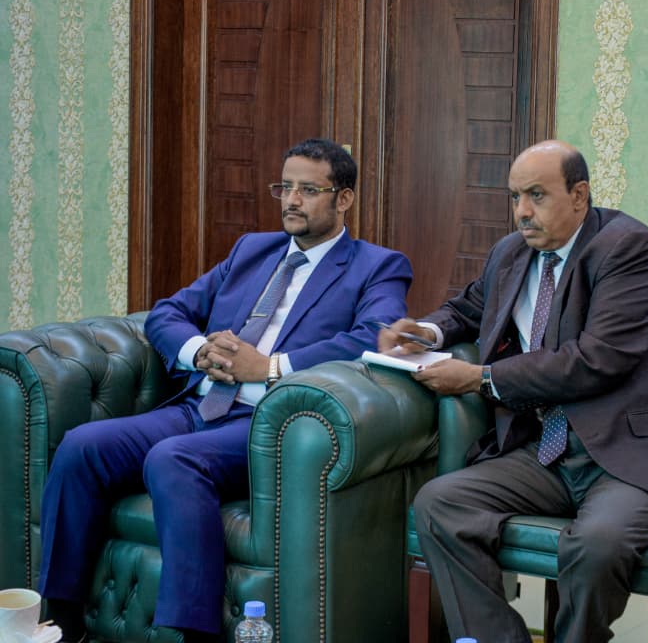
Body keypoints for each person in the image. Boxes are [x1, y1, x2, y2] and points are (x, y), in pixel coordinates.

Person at [39, 138, 412, 643]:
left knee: (173, 459)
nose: (292, 200)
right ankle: (60, 623)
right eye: (285, 187)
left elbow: (373, 336)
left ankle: (196, 634)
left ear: (343, 198)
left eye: (308, 190)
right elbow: (170, 312)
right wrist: (198, 351)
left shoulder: (378, 265)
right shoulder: (251, 251)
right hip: (201, 407)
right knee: (82, 446)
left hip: (270, 425)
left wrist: (270, 367)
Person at [381, 140, 648, 642]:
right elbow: (470, 308)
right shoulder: (511, 253)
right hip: (546, 450)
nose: (522, 212)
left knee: (596, 546)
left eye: (536, 195)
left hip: (628, 452)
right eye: (515, 197)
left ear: (579, 195)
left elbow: (597, 360)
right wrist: (425, 331)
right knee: (440, 504)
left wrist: (483, 378)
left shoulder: (626, 247)